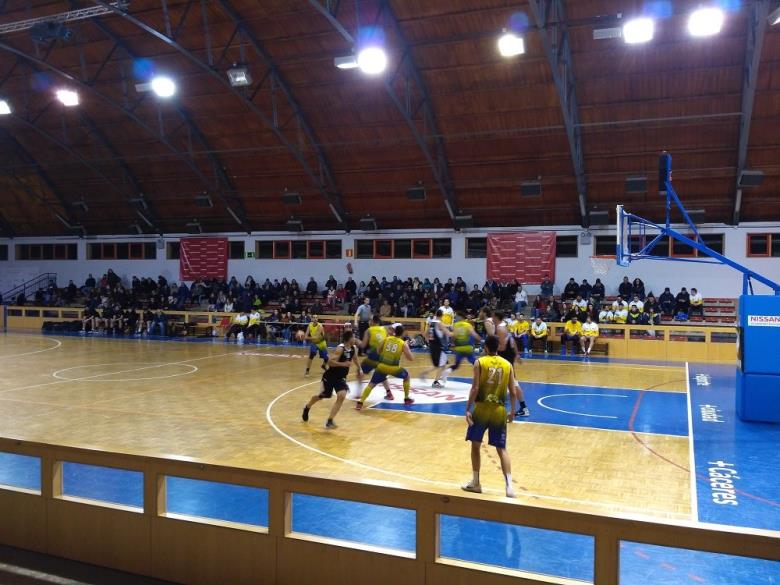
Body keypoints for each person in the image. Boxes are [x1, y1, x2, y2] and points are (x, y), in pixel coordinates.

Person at [462, 335, 518, 498]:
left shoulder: (479, 362)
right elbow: (513, 391)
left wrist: (467, 408)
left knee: (475, 445)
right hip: (499, 410)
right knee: (502, 449)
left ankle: (476, 482)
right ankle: (509, 487)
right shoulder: (507, 364)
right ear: (498, 347)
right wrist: (513, 411)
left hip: (481, 409)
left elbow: (475, 388)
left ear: (486, 347)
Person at [302, 330, 361, 429]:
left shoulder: (353, 348)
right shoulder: (340, 349)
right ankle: (307, 407)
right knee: (321, 396)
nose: (355, 339)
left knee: (341, 396)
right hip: (330, 377)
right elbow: (329, 362)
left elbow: (355, 359)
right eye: (353, 337)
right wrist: (343, 364)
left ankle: (330, 420)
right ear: (349, 339)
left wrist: (360, 369)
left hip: (340, 378)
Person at [356, 324, 415, 409]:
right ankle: (406, 398)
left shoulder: (386, 339)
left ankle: (360, 402)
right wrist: (407, 346)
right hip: (394, 368)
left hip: (382, 367)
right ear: (402, 333)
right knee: (407, 376)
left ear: (394, 332)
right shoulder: (403, 344)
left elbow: (378, 350)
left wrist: (384, 354)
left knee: (371, 384)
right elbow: (411, 358)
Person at [492, 312, 529, 417]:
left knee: (512, 383)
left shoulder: (500, 328)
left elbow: (502, 347)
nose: (492, 319)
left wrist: (490, 348)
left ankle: (523, 408)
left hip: (505, 357)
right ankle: (520, 407)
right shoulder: (504, 326)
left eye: (493, 317)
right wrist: (517, 355)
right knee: (503, 381)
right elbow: (512, 341)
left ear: (496, 317)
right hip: (508, 356)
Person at [359, 316, 393, 400]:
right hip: (385, 356)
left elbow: (362, 345)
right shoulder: (385, 329)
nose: (369, 322)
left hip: (374, 355)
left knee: (359, 371)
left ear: (373, 321)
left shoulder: (369, 330)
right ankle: (389, 393)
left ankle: (358, 393)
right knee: (381, 374)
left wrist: (355, 341)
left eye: (370, 320)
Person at [442, 312, 482, 379]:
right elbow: (474, 334)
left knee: (456, 365)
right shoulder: (467, 325)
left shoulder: (455, 325)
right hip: (467, 348)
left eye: (457, 316)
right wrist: (480, 339)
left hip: (459, 349)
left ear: (461, 317)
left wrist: (453, 345)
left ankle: (446, 371)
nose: (456, 318)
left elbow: (453, 337)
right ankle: (482, 374)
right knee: (475, 362)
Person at [421, 309, 452, 387]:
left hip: (432, 346)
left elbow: (425, 333)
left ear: (435, 314)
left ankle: (425, 373)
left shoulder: (431, 323)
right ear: (442, 316)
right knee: (441, 365)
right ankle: (436, 382)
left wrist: (428, 341)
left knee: (439, 364)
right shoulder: (440, 324)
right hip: (438, 347)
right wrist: (457, 333)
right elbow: (448, 334)